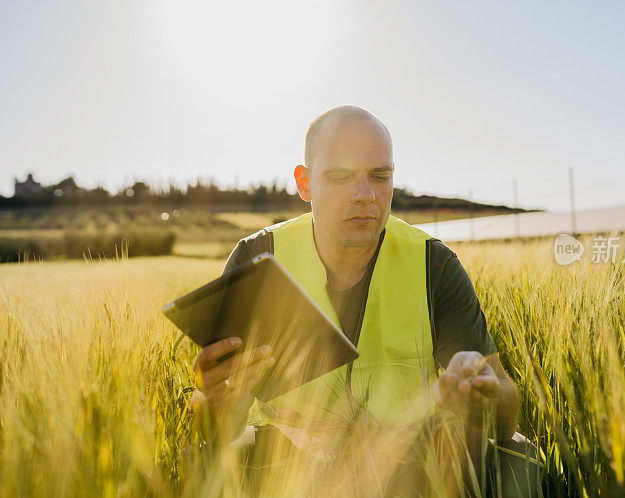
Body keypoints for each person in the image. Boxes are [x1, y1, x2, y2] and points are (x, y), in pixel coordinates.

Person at [190, 105, 539, 496]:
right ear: (304, 184)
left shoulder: (434, 263)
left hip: (407, 453)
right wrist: (216, 400)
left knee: (517, 456)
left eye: (380, 176)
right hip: (289, 457)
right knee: (203, 460)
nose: (364, 195)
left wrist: (485, 393)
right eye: (340, 176)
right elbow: (218, 428)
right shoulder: (259, 257)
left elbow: (505, 409)